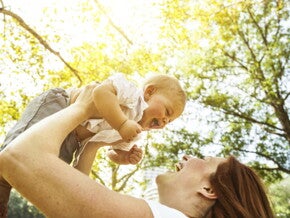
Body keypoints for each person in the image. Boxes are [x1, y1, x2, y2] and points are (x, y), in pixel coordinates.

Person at [0, 84, 275, 218]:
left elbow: (17, 157)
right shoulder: (130, 96)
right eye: (165, 113)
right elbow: (72, 179)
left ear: (210, 190)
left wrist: (82, 109)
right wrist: (98, 143)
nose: (187, 157)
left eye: (206, 159)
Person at [0, 73, 187, 216]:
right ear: (149, 92)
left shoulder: (134, 133)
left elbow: (112, 153)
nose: (164, 121)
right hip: (60, 107)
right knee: (17, 147)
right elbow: (100, 92)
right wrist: (122, 123)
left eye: (169, 121)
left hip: (73, 139)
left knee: (41, 170)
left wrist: (124, 158)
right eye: (167, 111)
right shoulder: (131, 96)